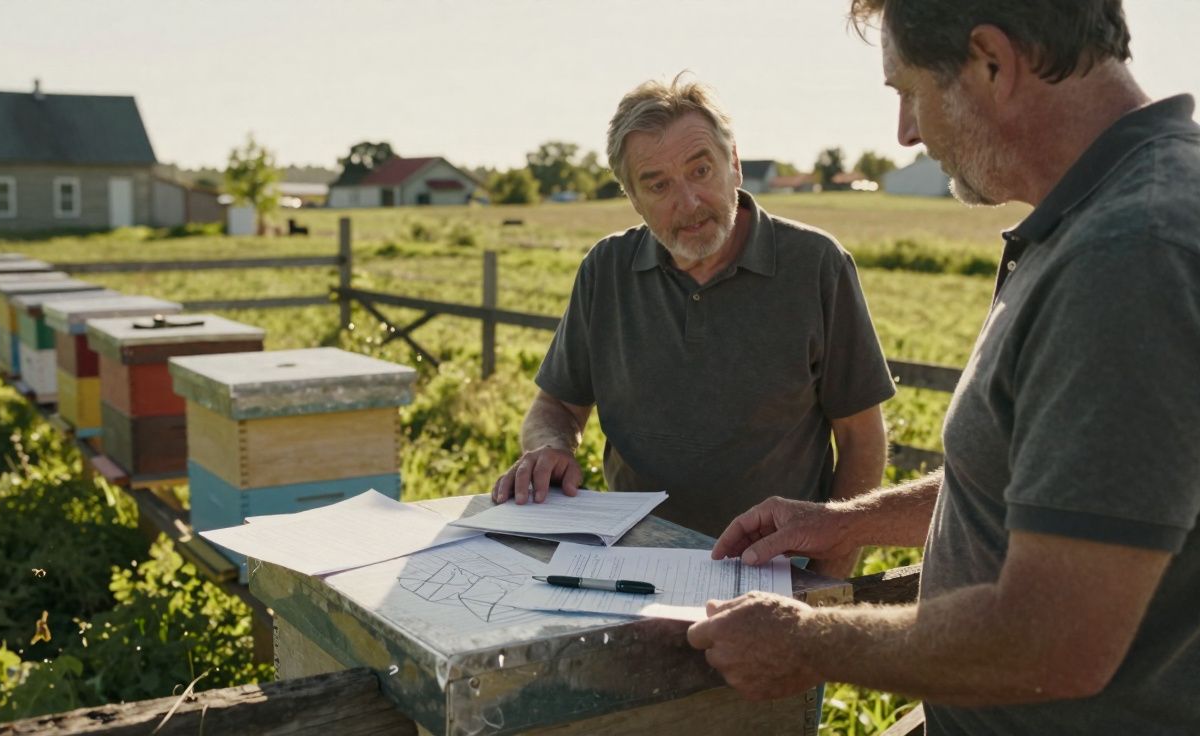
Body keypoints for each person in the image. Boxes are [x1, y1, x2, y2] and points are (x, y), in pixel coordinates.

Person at [686, 1, 1200, 733]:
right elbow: (1055, 483)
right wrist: (847, 524)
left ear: (991, 62)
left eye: (907, 90)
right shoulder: (1106, 214)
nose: (906, 131)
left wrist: (806, 643)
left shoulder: (1130, 257)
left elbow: (1055, 641)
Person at [491, 76, 896, 574]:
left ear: (735, 164)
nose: (687, 202)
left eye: (700, 170)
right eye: (657, 185)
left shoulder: (815, 265)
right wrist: (550, 447)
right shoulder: (606, 269)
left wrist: (827, 574)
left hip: (770, 575)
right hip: (629, 568)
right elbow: (554, 406)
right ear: (633, 199)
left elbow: (861, 438)